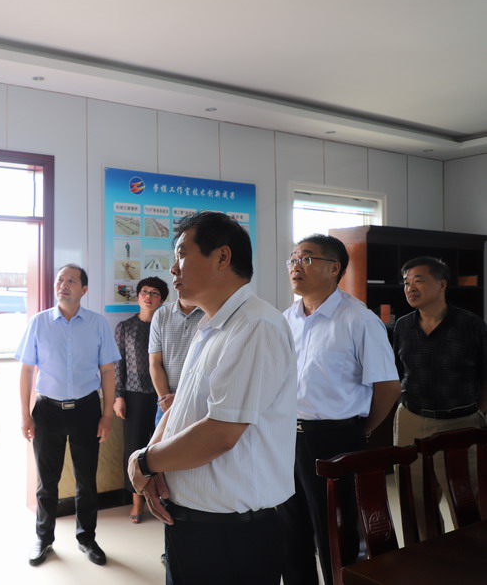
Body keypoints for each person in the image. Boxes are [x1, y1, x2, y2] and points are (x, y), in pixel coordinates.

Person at [128, 211, 297, 585]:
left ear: (222, 257)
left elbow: (221, 433)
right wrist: (150, 459)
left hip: (231, 534)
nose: (172, 269)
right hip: (190, 522)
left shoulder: (256, 326)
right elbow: (179, 408)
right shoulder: (210, 326)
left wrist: (145, 461)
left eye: (181, 255)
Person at [279, 234, 401, 585]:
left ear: (334, 268)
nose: (295, 266)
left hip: (335, 438)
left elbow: (388, 386)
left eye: (306, 258)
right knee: (290, 529)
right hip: (286, 436)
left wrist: (362, 429)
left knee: (336, 532)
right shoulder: (286, 319)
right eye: (293, 259)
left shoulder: (358, 319)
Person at [16, 264, 121, 567]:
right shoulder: (39, 322)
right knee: (46, 482)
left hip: (86, 410)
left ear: (84, 289)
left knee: (86, 480)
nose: (63, 284)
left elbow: (107, 371)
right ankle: (43, 538)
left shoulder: (97, 323)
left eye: (71, 281)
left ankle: (87, 538)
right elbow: (26, 371)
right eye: (60, 280)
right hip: (47, 411)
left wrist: (107, 415)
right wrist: (25, 415)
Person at [393, 256, 487, 538]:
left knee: (468, 502)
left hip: (460, 423)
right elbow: (398, 373)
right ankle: (427, 558)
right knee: (415, 501)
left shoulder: (470, 324)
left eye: (418, 281)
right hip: (411, 421)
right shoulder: (403, 326)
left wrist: (478, 414)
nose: (410, 288)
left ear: (441, 284)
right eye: (406, 282)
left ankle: (471, 559)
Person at [113, 276, 168, 523]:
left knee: (160, 447)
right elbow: (118, 364)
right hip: (133, 395)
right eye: (145, 292)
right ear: (138, 296)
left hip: (161, 394)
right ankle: (137, 501)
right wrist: (118, 396)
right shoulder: (125, 327)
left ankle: (162, 496)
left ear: (162, 300)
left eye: (154, 293)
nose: (148, 296)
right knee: (134, 448)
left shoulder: (165, 326)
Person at [149, 284, 204, 428]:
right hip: (166, 400)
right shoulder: (161, 315)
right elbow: (155, 363)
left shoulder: (211, 314)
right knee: (163, 442)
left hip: (198, 398)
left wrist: (181, 399)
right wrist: (166, 398)